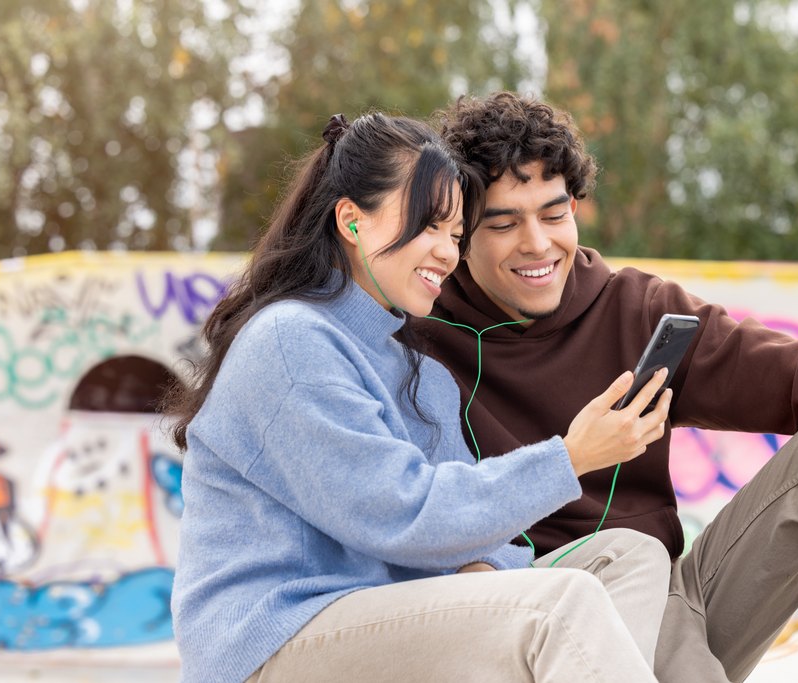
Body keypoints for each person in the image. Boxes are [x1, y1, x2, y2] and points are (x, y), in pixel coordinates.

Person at [412, 92, 798, 682]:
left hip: (668, 596)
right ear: (459, 232)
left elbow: (794, 367)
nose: (537, 244)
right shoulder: (418, 337)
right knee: (614, 573)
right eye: (504, 224)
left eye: (554, 215)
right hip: (526, 621)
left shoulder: (636, 308)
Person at [166, 112, 679, 683]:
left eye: (456, 236)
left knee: (628, 557)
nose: (446, 253)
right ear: (352, 222)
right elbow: (403, 513)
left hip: (384, 620)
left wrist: (487, 564)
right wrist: (571, 456)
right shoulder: (290, 341)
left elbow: (462, 533)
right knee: (556, 608)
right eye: (429, 226)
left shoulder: (418, 372)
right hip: (277, 641)